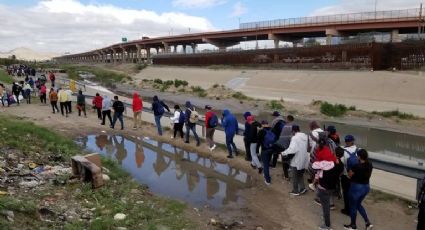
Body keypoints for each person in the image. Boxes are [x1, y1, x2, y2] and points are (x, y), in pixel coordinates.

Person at [314, 147, 344, 230]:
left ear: (334, 153)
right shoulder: (341, 165)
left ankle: (327, 225)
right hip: (332, 186)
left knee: (325, 207)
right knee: (325, 204)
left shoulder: (329, 162)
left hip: (324, 187)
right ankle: (325, 220)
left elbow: (319, 170)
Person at [344, 149, 373, 230]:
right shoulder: (370, 164)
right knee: (358, 204)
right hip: (366, 187)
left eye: (357, 156)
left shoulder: (356, 166)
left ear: (359, 157)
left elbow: (349, 175)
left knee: (353, 206)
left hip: (356, 188)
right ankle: (367, 223)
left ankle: (353, 226)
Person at [282, 125, 309, 195]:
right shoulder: (305, 136)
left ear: (293, 131)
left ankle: (295, 190)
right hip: (303, 159)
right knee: (300, 174)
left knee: (295, 176)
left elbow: (292, 149)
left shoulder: (295, 138)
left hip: (296, 159)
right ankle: (302, 188)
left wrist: (284, 153)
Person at [341, 135, 359, 216]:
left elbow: (342, 164)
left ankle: (347, 210)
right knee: (354, 192)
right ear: (353, 141)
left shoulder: (343, 151)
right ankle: (354, 207)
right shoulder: (359, 150)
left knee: (346, 192)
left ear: (346, 142)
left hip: (346, 176)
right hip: (356, 176)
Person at [275, 115, 295, 180]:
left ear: (288, 119)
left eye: (286, 119)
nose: (285, 120)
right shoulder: (294, 126)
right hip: (290, 146)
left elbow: (282, 136)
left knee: (284, 161)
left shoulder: (285, 126)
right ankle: (288, 169)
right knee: (288, 159)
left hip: (283, 146)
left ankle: (286, 176)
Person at [257, 120, 274, 184]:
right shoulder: (272, 129)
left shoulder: (261, 131)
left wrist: (257, 151)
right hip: (272, 149)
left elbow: (258, 142)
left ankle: (267, 180)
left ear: (262, 125)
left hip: (264, 150)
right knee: (268, 162)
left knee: (265, 164)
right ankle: (265, 174)